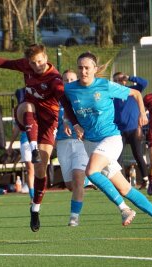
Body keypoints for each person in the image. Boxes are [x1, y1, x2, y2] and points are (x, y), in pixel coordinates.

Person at [63, 52, 152, 238]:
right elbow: (66, 106)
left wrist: (142, 114)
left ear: (95, 69)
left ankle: (124, 209)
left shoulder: (104, 86)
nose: (83, 71)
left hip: (111, 139)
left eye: (87, 67)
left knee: (90, 172)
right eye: (80, 67)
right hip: (90, 143)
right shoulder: (70, 89)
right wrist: (71, 123)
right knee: (124, 188)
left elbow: (136, 93)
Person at [0, 44, 72, 232]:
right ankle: (32, 147)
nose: (37, 65)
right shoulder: (25, 65)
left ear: (46, 58)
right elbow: (5, 63)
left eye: (40, 61)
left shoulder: (55, 79)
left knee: (41, 171)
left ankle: (35, 208)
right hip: (28, 115)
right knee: (27, 106)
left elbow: (64, 99)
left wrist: (72, 120)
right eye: (33, 63)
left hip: (49, 124)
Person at [57, 70, 90, 227]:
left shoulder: (81, 97)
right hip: (63, 144)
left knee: (78, 178)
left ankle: (74, 217)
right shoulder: (56, 100)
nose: (68, 82)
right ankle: (86, 179)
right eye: (65, 79)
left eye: (72, 79)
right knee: (71, 186)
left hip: (80, 143)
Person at [112, 72, 149, 190]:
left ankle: (145, 180)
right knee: (118, 157)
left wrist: (129, 77)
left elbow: (144, 83)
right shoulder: (112, 94)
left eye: (122, 80)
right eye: (117, 80)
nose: (120, 82)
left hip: (134, 129)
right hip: (119, 130)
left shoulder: (133, 90)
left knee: (138, 154)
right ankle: (122, 182)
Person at [7, 88, 34, 203]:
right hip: (25, 141)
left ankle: (39, 193)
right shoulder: (18, 110)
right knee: (30, 168)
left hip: (38, 140)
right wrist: (10, 144)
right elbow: (17, 128)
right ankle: (33, 196)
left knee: (40, 169)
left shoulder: (36, 106)